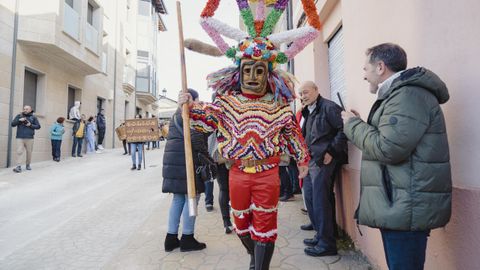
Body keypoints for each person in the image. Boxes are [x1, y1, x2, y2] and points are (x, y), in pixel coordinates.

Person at [341, 43, 452, 270]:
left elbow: (388, 149)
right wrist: (361, 124)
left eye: (366, 69)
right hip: (400, 204)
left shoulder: (407, 95)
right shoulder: (401, 94)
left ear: (380, 67)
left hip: (405, 207)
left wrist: (353, 126)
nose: (364, 76)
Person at [299, 81, 348, 257]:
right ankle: (323, 235)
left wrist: (332, 152)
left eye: (306, 92)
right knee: (312, 198)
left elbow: (344, 129)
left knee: (320, 200)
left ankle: (327, 244)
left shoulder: (329, 107)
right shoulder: (308, 110)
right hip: (312, 160)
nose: (303, 96)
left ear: (316, 90)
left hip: (325, 160)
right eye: (301, 94)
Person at [163, 89, 208, 252]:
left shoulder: (176, 114)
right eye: (197, 100)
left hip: (174, 164)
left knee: (178, 199)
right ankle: (187, 238)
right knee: (192, 198)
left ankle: (171, 238)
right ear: (191, 100)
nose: (198, 103)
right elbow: (200, 140)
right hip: (185, 164)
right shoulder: (187, 115)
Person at [11, 105, 41, 172]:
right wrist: (19, 121)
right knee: (19, 152)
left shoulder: (34, 117)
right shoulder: (19, 116)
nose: (25, 110)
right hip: (20, 137)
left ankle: (28, 165)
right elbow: (12, 124)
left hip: (30, 138)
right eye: (24, 109)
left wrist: (30, 125)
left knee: (29, 152)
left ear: (30, 110)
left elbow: (38, 126)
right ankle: (18, 167)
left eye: (27, 109)